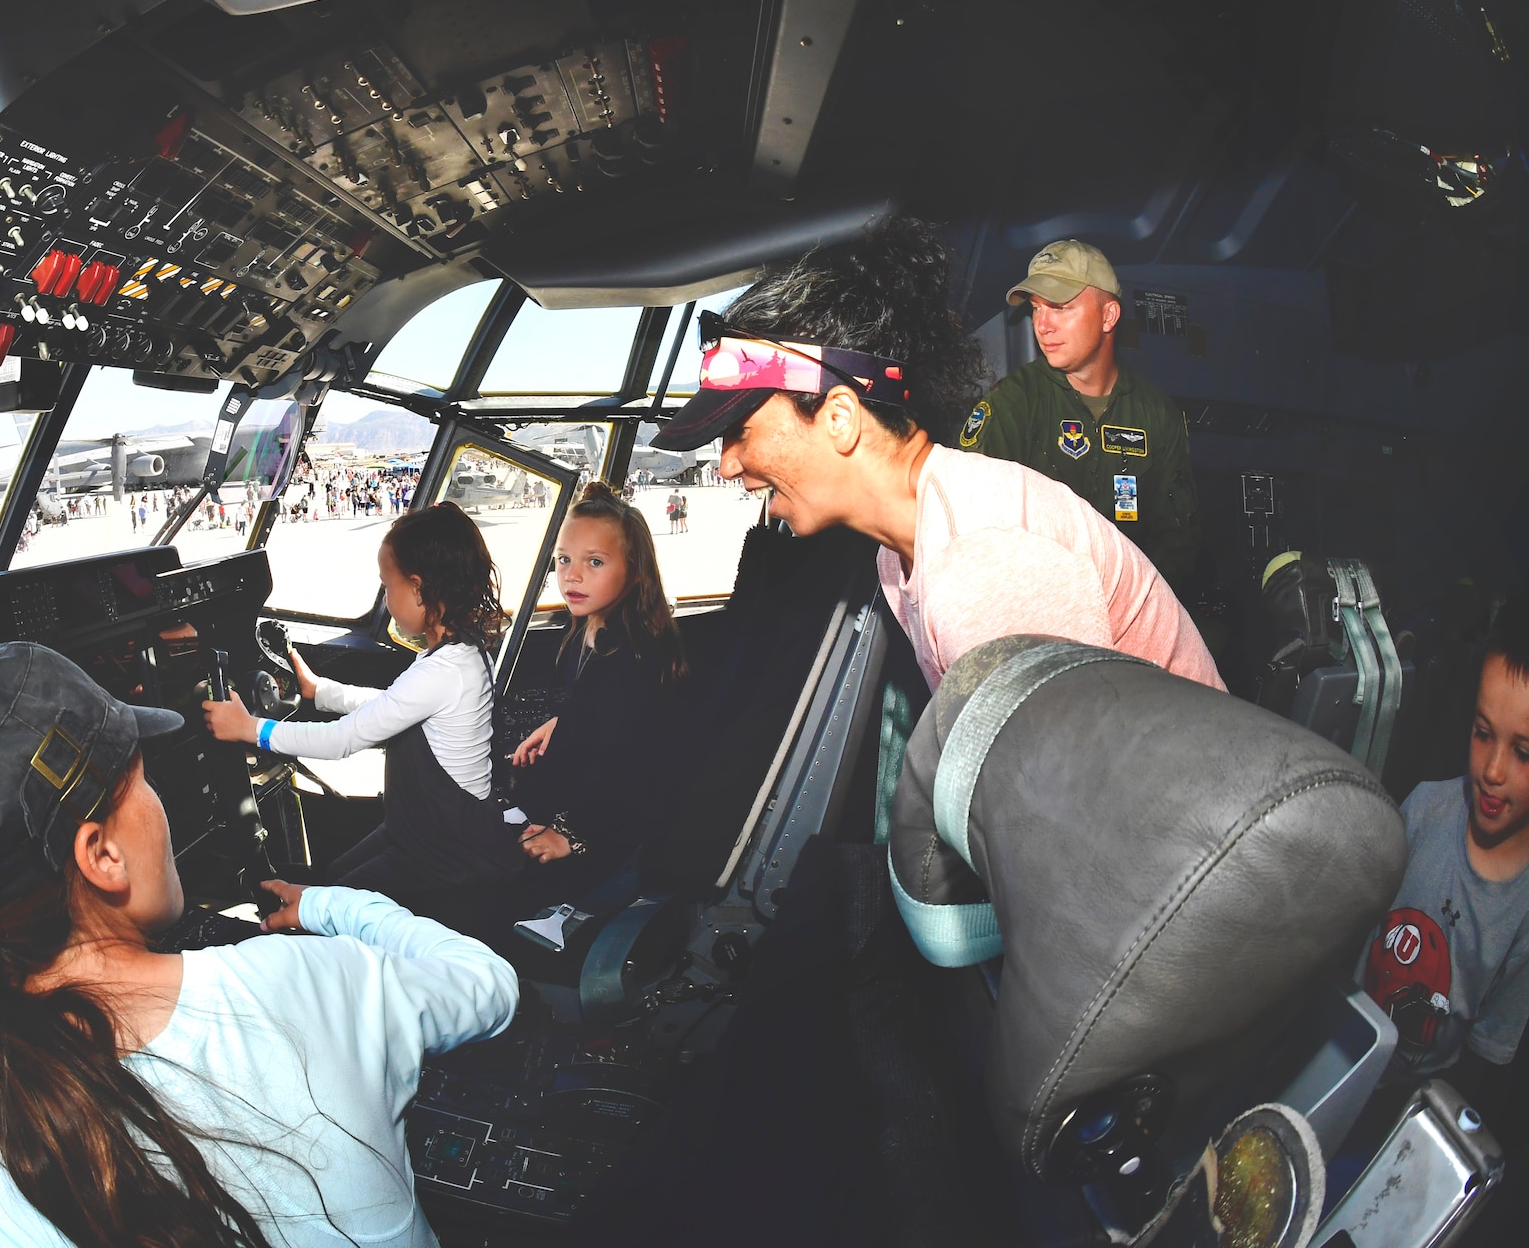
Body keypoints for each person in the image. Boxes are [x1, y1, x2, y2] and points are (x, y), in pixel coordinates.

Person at [0, 642, 516, 1248]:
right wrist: (330, 902)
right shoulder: (303, 982)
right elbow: (488, 981)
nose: (160, 804)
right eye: (142, 782)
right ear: (103, 854)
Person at [650, 217, 1222, 692]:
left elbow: (1069, 806)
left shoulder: (982, 566)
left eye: (741, 430)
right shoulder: (904, 546)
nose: (726, 463)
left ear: (840, 417)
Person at [203, 502, 524, 919]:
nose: (387, 601)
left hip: (445, 853)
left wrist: (251, 730)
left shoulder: (445, 670)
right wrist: (322, 692)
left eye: (388, 587)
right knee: (334, 878)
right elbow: (390, 709)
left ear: (420, 588)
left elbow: (342, 739)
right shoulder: (458, 654)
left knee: (328, 908)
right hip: (430, 833)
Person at [958, 240, 1201, 588]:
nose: (1043, 325)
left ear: (1108, 316)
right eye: (1036, 309)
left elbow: (1178, 540)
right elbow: (971, 525)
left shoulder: (1156, 414)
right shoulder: (1015, 403)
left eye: (1059, 307)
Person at [1361, 595, 1529, 1090]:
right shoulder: (1423, 808)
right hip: (1351, 1046)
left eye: (1523, 752)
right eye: (1482, 734)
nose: (1493, 770)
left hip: (1420, 1096)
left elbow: (1490, 1050)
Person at [506, 483, 687, 905]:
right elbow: (601, 711)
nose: (572, 574)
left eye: (595, 562)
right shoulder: (595, 632)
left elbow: (630, 765)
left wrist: (570, 834)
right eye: (564, 559)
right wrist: (563, 721)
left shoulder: (631, 657)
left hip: (617, 825)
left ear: (635, 569)